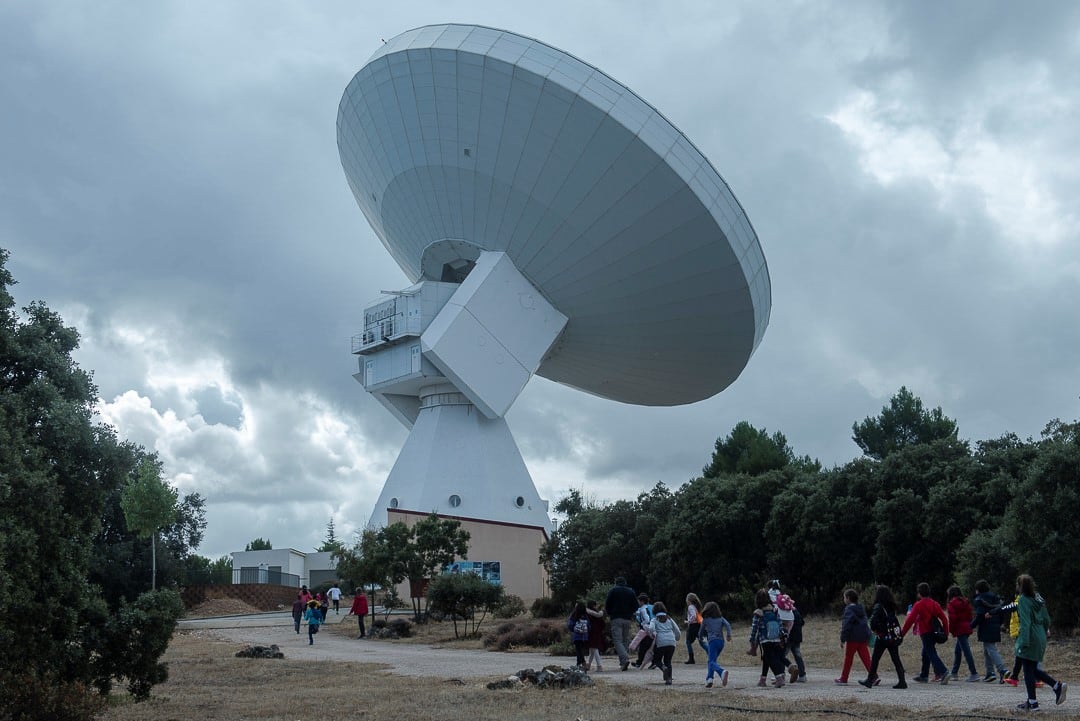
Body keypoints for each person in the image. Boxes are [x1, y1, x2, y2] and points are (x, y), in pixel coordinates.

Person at [1001, 574, 1067, 711]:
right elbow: (1047, 619)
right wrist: (1044, 630)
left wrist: (1023, 642)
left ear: (1020, 586)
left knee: (1028, 670)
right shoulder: (1038, 597)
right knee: (1033, 669)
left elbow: (1025, 622)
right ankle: (1056, 687)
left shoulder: (1024, 600)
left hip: (1030, 636)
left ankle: (1033, 703)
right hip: (1040, 635)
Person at [901, 582, 951, 684]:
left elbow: (910, 620)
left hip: (925, 632)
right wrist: (946, 632)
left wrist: (902, 634)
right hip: (935, 632)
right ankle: (924, 675)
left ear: (919, 593)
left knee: (930, 652)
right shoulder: (934, 604)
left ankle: (944, 671)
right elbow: (944, 619)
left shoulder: (918, 605)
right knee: (926, 652)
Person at [859, 584, 906, 689]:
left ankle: (870, 680)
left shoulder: (878, 606)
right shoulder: (892, 606)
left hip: (882, 637)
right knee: (896, 659)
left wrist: (876, 630)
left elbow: (873, 622)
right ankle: (902, 681)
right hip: (892, 637)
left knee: (875, 658)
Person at [971, 579, 1009, 682]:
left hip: (986, 626)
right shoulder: (995, 597)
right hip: (995, 625)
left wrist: (971, 626)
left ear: (978, 590)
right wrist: (999, 623)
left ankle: (1002, 670)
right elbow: (1001, 611)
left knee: (991, 649)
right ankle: (990, 672)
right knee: (987, 649)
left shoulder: (979, 599)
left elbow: (979, 615)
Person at [749, 588, 787, 687]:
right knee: (767, 657)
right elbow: (780, 623)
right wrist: (782, 634)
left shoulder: (758, 613)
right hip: (776, 637)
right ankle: (763, 679)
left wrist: (752, 640)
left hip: (765, 639)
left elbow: (754, 628)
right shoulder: (774, 610)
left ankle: (779, 678)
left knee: (770, 659)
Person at [836, 588, 871, 684]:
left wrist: (843, 638)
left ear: (848, 598)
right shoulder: (861, 608)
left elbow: (846, 625)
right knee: (866, 657)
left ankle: (844, 678)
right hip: (863, 637)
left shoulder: (849, 609)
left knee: (848, 658)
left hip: (853, 637)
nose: (844, 599)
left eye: (844, 597)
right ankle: (874, 676)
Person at [947, 584, 980, 681]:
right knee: (958, 651)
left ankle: (974, 673)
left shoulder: (951, 604)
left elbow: (952, 619)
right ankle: (954, 672)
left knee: (966, 651)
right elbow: (970, 615)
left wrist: (951, 630)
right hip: (966, 627)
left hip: (959, 628)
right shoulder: (965, 602)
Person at [605, 576, 638, 671]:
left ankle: (625, 658)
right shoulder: (631, 591)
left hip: (616, 618)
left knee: (617, 640)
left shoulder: (613, 591)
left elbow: (607, 604)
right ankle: (623, 663)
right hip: (627, 618)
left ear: (616, 582)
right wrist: (630, 613)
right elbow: (635, 606)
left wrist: (611, 613)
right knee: (625, 640)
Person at [699, 601, 732, 688]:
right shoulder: (720, 618)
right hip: (721, 642)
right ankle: (709, 679)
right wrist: (728, 635)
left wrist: (700, 637)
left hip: (712, 642)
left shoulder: (706, 620)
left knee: (712, 661)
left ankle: (722, 672)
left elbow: (701, 631)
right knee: (712, 660)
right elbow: (728, 625)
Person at [647, 601, 681, 685]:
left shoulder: (655, 619)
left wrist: (652, 635)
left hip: (661, 642)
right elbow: (677, 631)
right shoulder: (669, 619)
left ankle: (663, 668)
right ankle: (669, 679)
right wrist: (677, 638)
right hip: (671, 642)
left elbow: (650, 628)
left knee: (656, 659)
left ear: (654, 611)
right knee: (668, 661)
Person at [629, 593, 655, 669]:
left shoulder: (643, 609)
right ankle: (649, 662)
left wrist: (642, 624)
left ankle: (640, 662)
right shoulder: (649, 607)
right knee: (649, 646)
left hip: (646, 630)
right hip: (651, 629)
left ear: (642, 601)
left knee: (643, 646)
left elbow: (647, 619)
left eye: (638, 601)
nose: (637, 603)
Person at [585, 600, 606, 672]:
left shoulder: (587, 613)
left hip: (590, 632)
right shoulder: (599, 613)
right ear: (594, 605)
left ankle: (599, 666)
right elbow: (603, 624)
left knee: (594, 648)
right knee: (592, 649)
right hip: (598, 632)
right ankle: (588, 665)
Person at [567, 601, 590, 668]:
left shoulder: (574, 615)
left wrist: (572, 630)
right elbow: (588, 625)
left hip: (577, 636)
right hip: (584, 636)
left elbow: (570, 625)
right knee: (580, 650)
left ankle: (583, 663)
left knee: (578, 650)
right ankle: (579, 664)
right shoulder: (586, 615)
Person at [788, 606, 807, 682]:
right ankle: (802, 675)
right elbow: (802, 622)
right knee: (798, 656)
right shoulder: (796, 610)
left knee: (782, 656)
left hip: (790, 638)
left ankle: (780, 674)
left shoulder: (787, 612)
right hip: (798, 637)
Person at [684, 592, 702, 664]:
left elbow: (693, 616)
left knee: (688, 641)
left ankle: (691, 658)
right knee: (701, 641)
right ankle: (710, 654)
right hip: (698, 625)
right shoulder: (696, 606)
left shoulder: (690, 607)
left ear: (689, 600)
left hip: (692, 626)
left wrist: (688, 621)